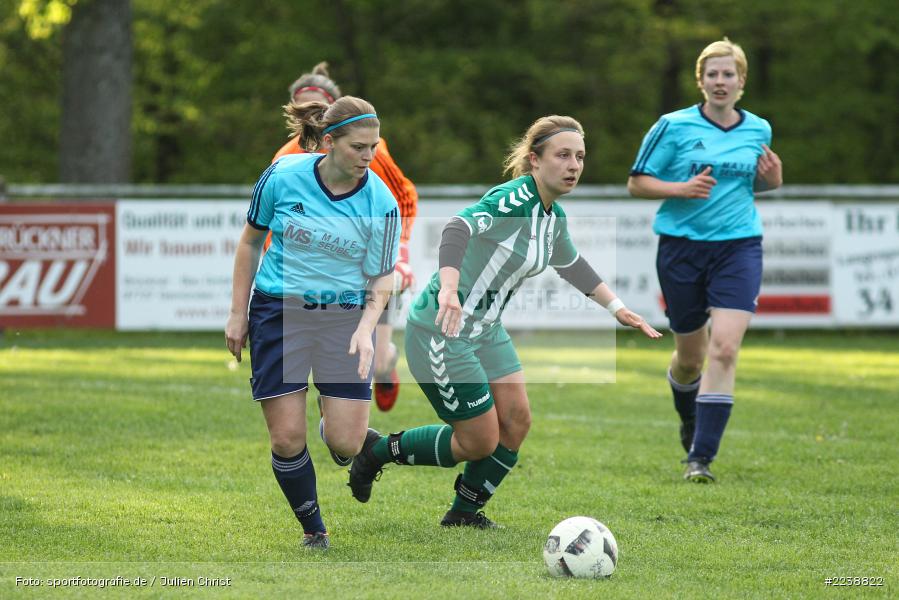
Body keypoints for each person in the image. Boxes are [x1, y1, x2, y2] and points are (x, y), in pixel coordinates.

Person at [346, 115, 662, 528]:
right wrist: (448, 287)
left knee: (516, 421)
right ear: (535, 160)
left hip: (487, 331)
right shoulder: (513, 199)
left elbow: (572, 264)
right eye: (563, 155)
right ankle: (377, 451)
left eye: (580, 157)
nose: (573, 165)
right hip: (443, 330)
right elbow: (457, 228)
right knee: (479, 441)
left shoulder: (553, 219)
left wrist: (616, 307)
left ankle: (464, 513)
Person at [225, 96, 400, 549]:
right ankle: (313, 529)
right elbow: (250, 242)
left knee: (346, 443)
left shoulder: (380, 201)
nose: (369, 157)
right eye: (359, 147)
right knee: (285, 437)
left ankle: (339, 421)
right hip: (278, 312)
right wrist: (236, 313)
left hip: (343, 317)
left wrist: (366, 329)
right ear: (329, 141)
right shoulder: (283, 176)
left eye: (374, 147)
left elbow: (383, 276)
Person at [626, 38, 783, 483]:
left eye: (728, 74)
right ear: (700, 80)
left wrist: (773, 181)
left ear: (742, 82)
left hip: (739, 246)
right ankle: (691, 417)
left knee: (726, 348)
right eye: (712, 74)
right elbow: (636, 183)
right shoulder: (671, 126)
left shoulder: (759, 129)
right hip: (681, 248)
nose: (720, 81)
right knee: (689, 359)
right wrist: (680, 189)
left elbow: (757, 186)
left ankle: (701, 458)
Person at [270, 62, 418, 414]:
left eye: (320, 109)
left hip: (373, 259)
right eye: (306, 108)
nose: (314, 115)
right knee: (332, 357)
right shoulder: (286, 159)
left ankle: (386, 365)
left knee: (379, 361)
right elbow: (273, 225)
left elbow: (405, 195)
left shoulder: (368, 148)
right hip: (325, 275)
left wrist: (400, 248)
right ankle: (336, 411)